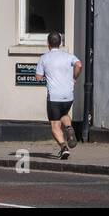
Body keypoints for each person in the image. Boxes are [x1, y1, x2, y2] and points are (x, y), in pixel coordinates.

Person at [35, 31, 82, 159]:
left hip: (54, 96)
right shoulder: (68, 56)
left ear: (48, 43)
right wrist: (74, 77)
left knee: (55, 125)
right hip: (68, 95)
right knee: (64, 114)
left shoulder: (44, 58)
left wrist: (46, 74)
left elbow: (38, 77)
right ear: (60, 43)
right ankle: (69, 128)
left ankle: (63, 148)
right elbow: (79, 64)